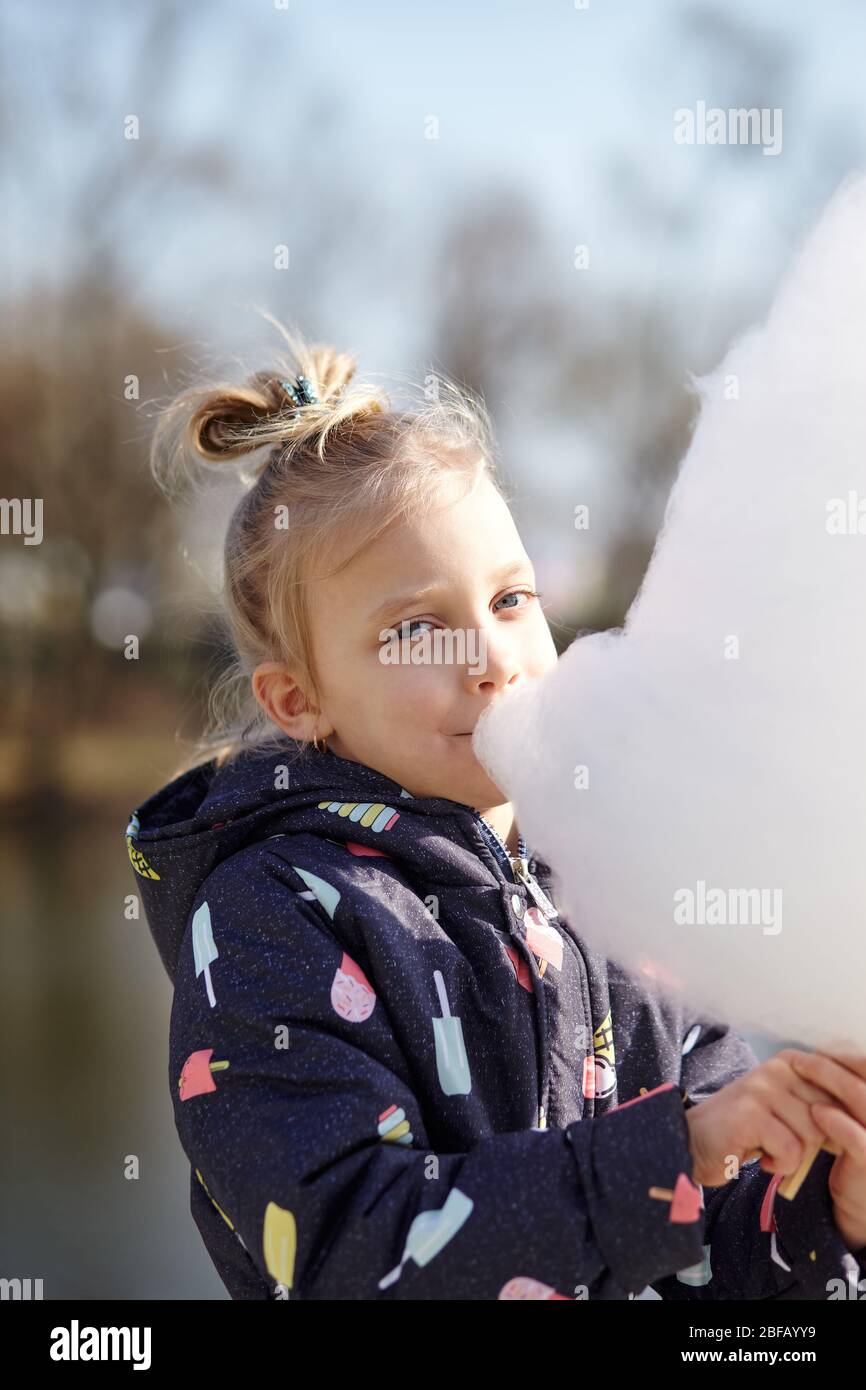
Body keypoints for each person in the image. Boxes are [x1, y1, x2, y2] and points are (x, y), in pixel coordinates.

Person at [127, 320, 866, 1299]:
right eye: (417, 627)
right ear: (298, 700)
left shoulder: (615, 873)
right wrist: (666, 1155)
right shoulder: (276, 915)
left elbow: (715, 1262)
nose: (489, 658)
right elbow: (345, 1247)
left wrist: (818, 1211)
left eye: (511, 599)